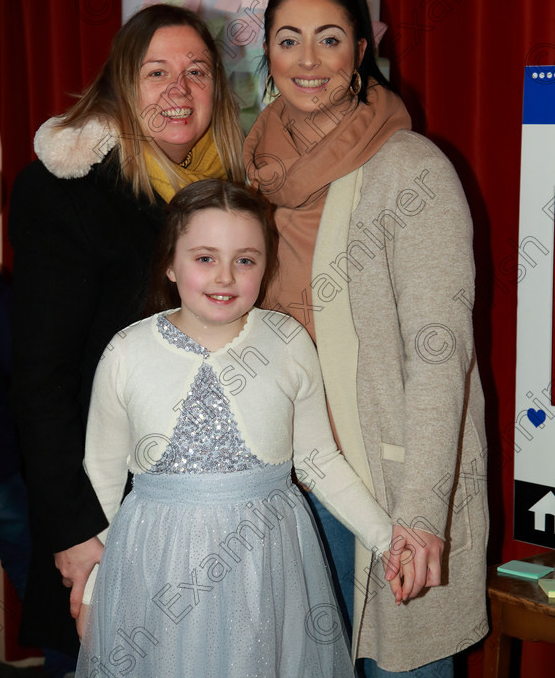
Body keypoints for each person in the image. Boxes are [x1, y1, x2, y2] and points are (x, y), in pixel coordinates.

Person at [244, 0, 489, 677]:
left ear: (361, 49)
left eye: (329, 37)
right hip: (284, 483)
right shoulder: (255, 171)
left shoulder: (410, 170)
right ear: (267, 50)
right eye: (288, 38)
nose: (307, 59)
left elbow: (439, 352)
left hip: (384, 490)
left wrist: (419, 511)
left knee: (396, 666)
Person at [74, 178, 401, 678]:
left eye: (245, 260)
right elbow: (100, 474)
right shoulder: (127, 352)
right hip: (158, 572)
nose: (225, 276)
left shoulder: (288, 341)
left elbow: (318, 460)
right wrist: (96, 589)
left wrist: (385, 538)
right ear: (169, 262)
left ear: (265, 266)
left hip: (266, 566)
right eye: (204, 257)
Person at [8, 4, 245, 662]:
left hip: (209, 514)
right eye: (157, 72)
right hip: (110, 517)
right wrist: (76, 529)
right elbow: (41, 380)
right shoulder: (67, 195)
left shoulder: (228, 196)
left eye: (197, 72)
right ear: (119, 86)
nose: (179, 89)